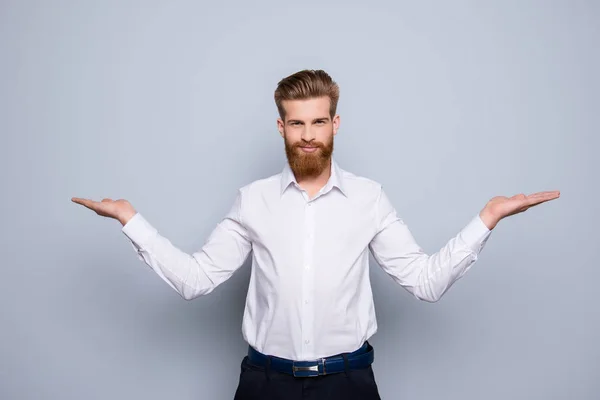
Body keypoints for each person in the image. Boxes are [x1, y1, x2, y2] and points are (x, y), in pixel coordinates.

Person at [72, 69, 560, 399]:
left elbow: (425, 282)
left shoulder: (369, 198)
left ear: (335, 124)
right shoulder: (253, 199)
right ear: (281, 127)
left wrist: (487, 219)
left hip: (348, 384)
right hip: (265, 385)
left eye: (319, 122)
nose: (308, 135)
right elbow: (195, 279)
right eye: (297, 123)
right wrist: (130, 219)